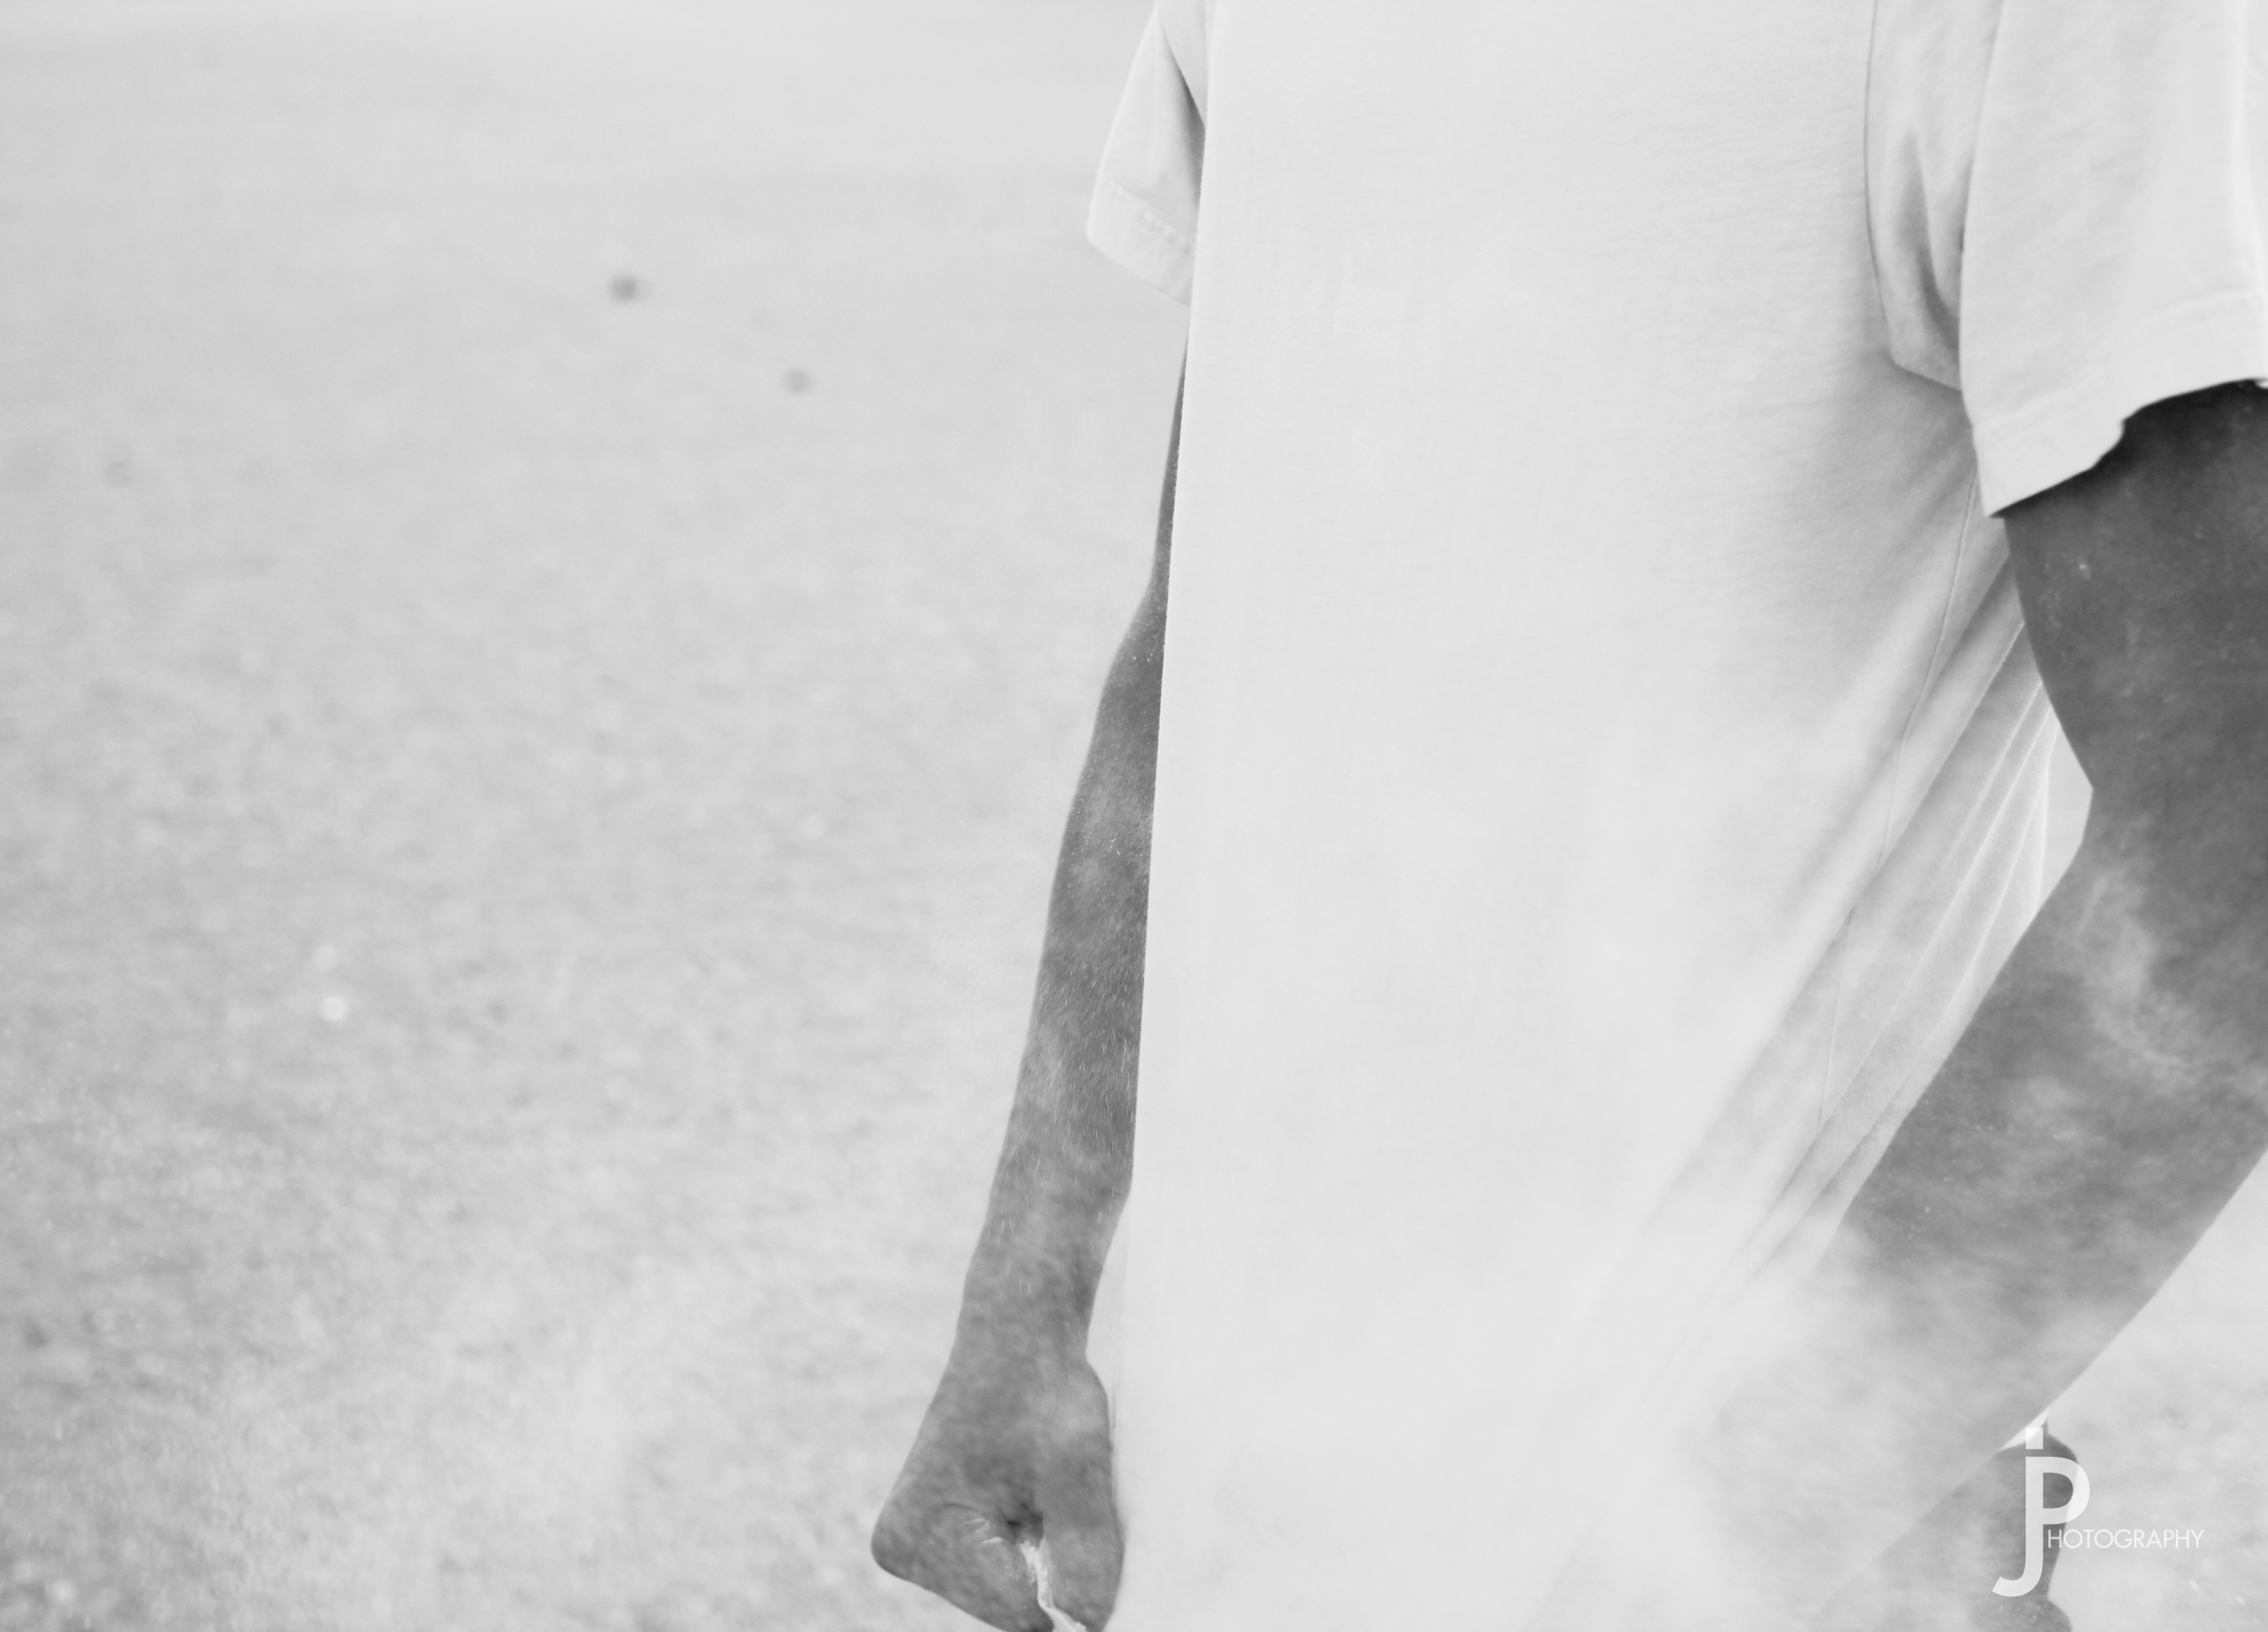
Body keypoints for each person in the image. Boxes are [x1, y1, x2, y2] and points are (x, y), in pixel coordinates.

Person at [874, 3, 2268, 1627]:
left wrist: (1729, 1541)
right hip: (1224, 1489)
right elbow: (1216, 609)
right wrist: (1027, 1289)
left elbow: (2225, 860)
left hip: (1709, 1543)